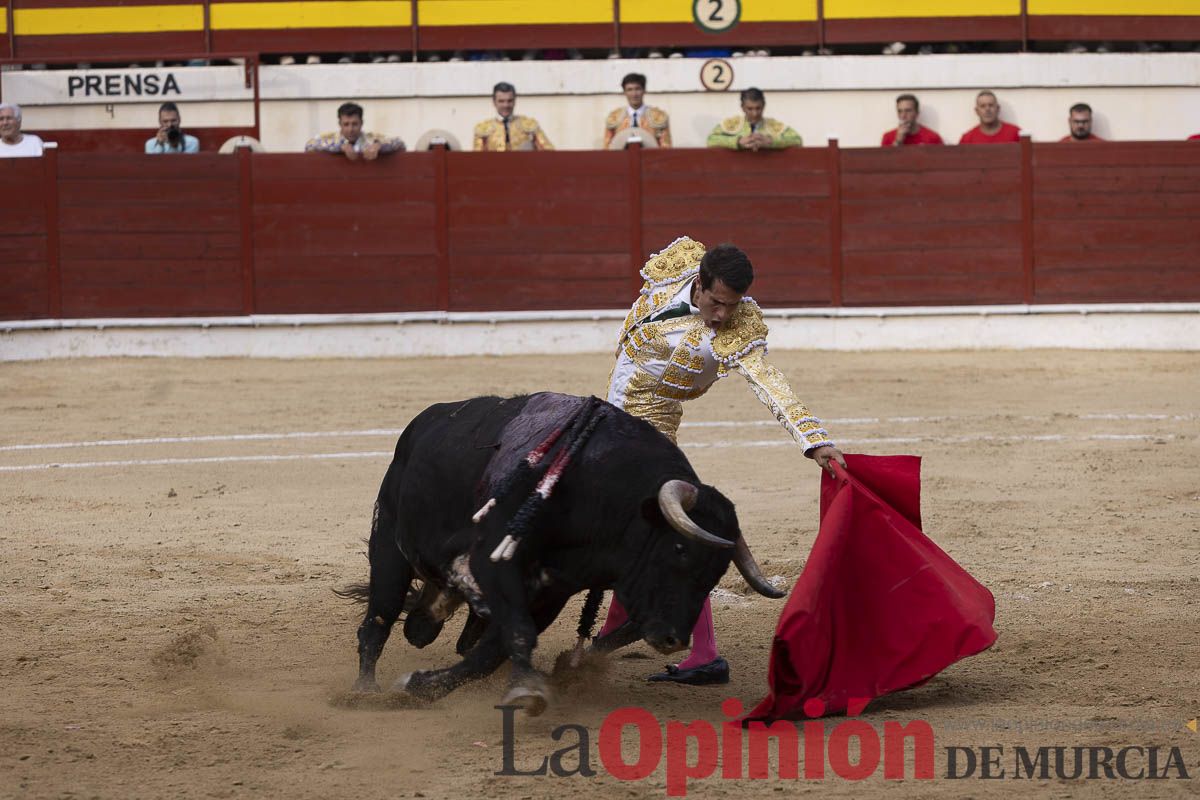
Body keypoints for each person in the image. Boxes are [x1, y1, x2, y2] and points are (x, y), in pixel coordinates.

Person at [597, 236, 846, 685]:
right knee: (632, 522)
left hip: (650, 428)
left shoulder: (740, 330)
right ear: (698, 282)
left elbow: (770, 384)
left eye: (732, 306)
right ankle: (617, 625)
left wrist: (813, 439)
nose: (722, 315)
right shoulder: (680, 264)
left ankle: (706, 654)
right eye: (715, 302)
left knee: (669, 528)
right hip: (609, 413)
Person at [707, 88, 802, 151]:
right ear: (742, 107)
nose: (755, 113)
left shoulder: (773, 125)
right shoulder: (732, 123)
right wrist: (738, 141)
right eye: (750, 109)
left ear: (764, 106)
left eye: (758, 108)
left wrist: (770, 141)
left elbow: (797, 140)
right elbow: (711, 140)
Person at [305, 102, 405, 160]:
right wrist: (339, 147)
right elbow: (309, 145)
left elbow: (400, 143)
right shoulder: (330, 139)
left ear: (362, 123)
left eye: (355, 124)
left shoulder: (371, 138)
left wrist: (379, 146)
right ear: (340, 124)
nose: (350, 129)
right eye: (346, 124)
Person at [473, 82, 554, 151]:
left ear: (515, 101)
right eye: (501, 101)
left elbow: (548, 152)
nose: (506, 105)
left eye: (509, 101)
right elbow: (477, 160)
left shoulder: (529, 125)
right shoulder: (483, 129)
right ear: (494, 102)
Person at [604, 72, 671, 149]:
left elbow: (666, 148)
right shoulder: (614, 117)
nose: (634, 94)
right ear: (624, 92)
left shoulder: (658, 116)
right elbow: (607, 149)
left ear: (644, 90)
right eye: (629, 90)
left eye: (637, 89)